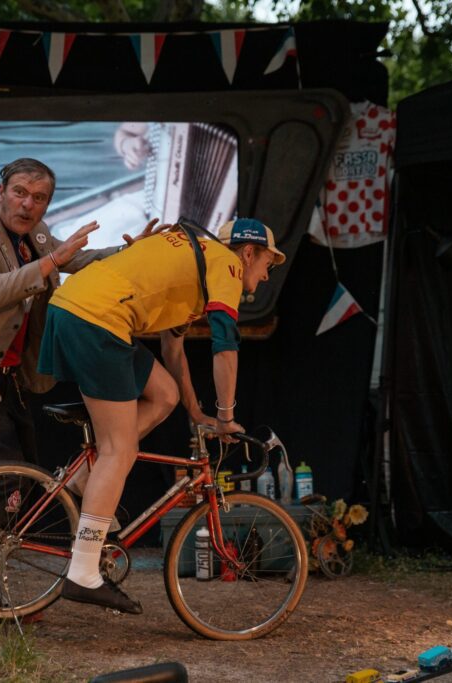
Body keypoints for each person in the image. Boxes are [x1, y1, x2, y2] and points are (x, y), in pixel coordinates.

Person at [0, 158, 156, 635]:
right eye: (20, 193)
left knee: (14, 490)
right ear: (0, 190)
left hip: (6, 379)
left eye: (39, 198)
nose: (29, 204)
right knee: (5, 488)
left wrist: (131, 254)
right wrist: (53, 262)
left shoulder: (34, 234)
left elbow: (74, 258)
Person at [37, 217, 285, 614]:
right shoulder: (227, 264)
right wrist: (225, 416)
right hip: (98, 319)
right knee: (121, 450)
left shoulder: (196, 262)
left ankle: (84, 478)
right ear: (249, 252)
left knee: (164, 394)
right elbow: (225, 347)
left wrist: (196, 412)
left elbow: (173, 353)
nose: (267, 276)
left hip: (77, 309)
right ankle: (83, 572)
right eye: (267, 265)